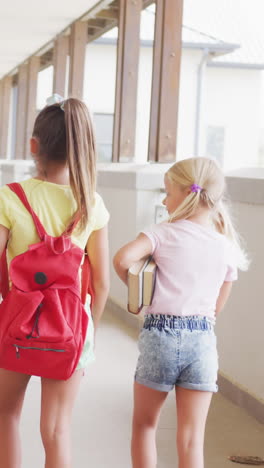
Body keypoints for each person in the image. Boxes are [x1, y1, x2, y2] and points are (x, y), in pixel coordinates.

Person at [113, 157, 248, 468]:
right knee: (191, 438)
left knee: (145, 426)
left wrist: (142, 298)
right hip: (202, 341)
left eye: (168, 192)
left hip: (160, 335)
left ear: (186, 196)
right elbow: (218, 304)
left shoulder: (162, 233)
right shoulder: (223, 245)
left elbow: (123, 259)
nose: (164, 199)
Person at [0, 96, 110, 468]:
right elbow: (103, 283)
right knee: (57, 430)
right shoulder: (92, 203)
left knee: (5, 416)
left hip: (17, 322)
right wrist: (86, 331)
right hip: (70, 326)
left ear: (34, 146)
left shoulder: (10, 197)